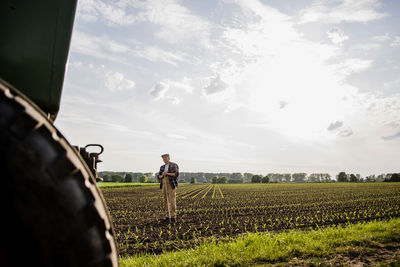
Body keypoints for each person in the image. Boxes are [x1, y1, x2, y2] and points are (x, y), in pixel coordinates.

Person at [158, 154, 179, 223]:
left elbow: (176, 174)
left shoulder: (174, 165)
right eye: (163, 159)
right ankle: (167, 216)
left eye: (165, 158)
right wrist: (162, 175)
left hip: (171, 184)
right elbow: (159, 176)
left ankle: (173, 216)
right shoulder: (162, 167)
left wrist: (167, 173)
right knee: (165, 200)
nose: (164, 159)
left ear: (169, 158)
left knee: (172, 200)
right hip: (164, 184)